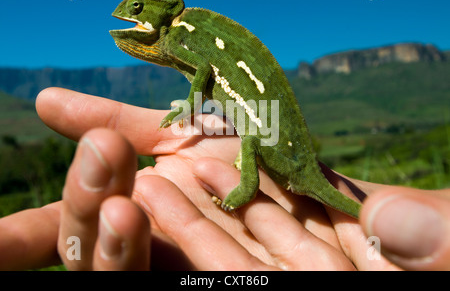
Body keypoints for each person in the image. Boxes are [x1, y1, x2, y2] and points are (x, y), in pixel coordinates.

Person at [0, 87, 449, 271]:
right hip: (284, 155)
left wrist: (189, 109)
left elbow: (201, 83)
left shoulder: (188, 36)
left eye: (138, 10)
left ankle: (244, 191)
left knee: (252, 141)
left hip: (282, 158)